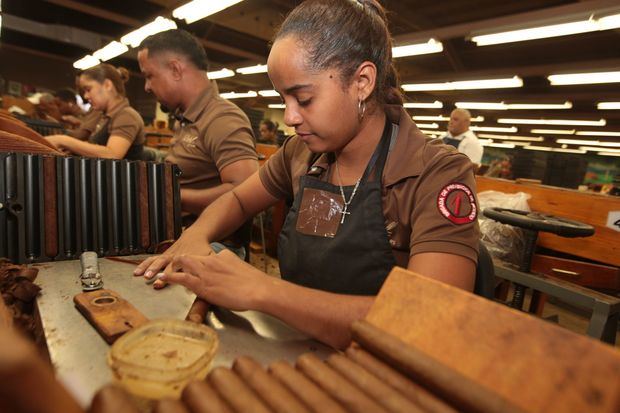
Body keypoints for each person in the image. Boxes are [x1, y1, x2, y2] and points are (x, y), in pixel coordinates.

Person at [135, 0, 480, 349]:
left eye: (304, 99)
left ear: (361, 82)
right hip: (295, 347)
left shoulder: (436, 174)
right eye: (284, 99)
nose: (289, 117)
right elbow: (238, 198)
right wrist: (197, 234)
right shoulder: (301, 154)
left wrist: (263, 291)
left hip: (378, 368)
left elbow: (431, 317)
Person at [137, 29, 258, 260]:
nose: (146, 86)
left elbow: (247, 191)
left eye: (149, 75)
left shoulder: (222, 118)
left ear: (175, 69)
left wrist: (171, 195)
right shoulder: (186, 116)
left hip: (214, 247)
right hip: (180, 234)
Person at [45, 64, 145, 160]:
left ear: (107, 85)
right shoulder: (105, 115)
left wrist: (63, 140)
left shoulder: (126, 115)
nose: (86, 96)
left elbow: (112, 154)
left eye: (88, 89)